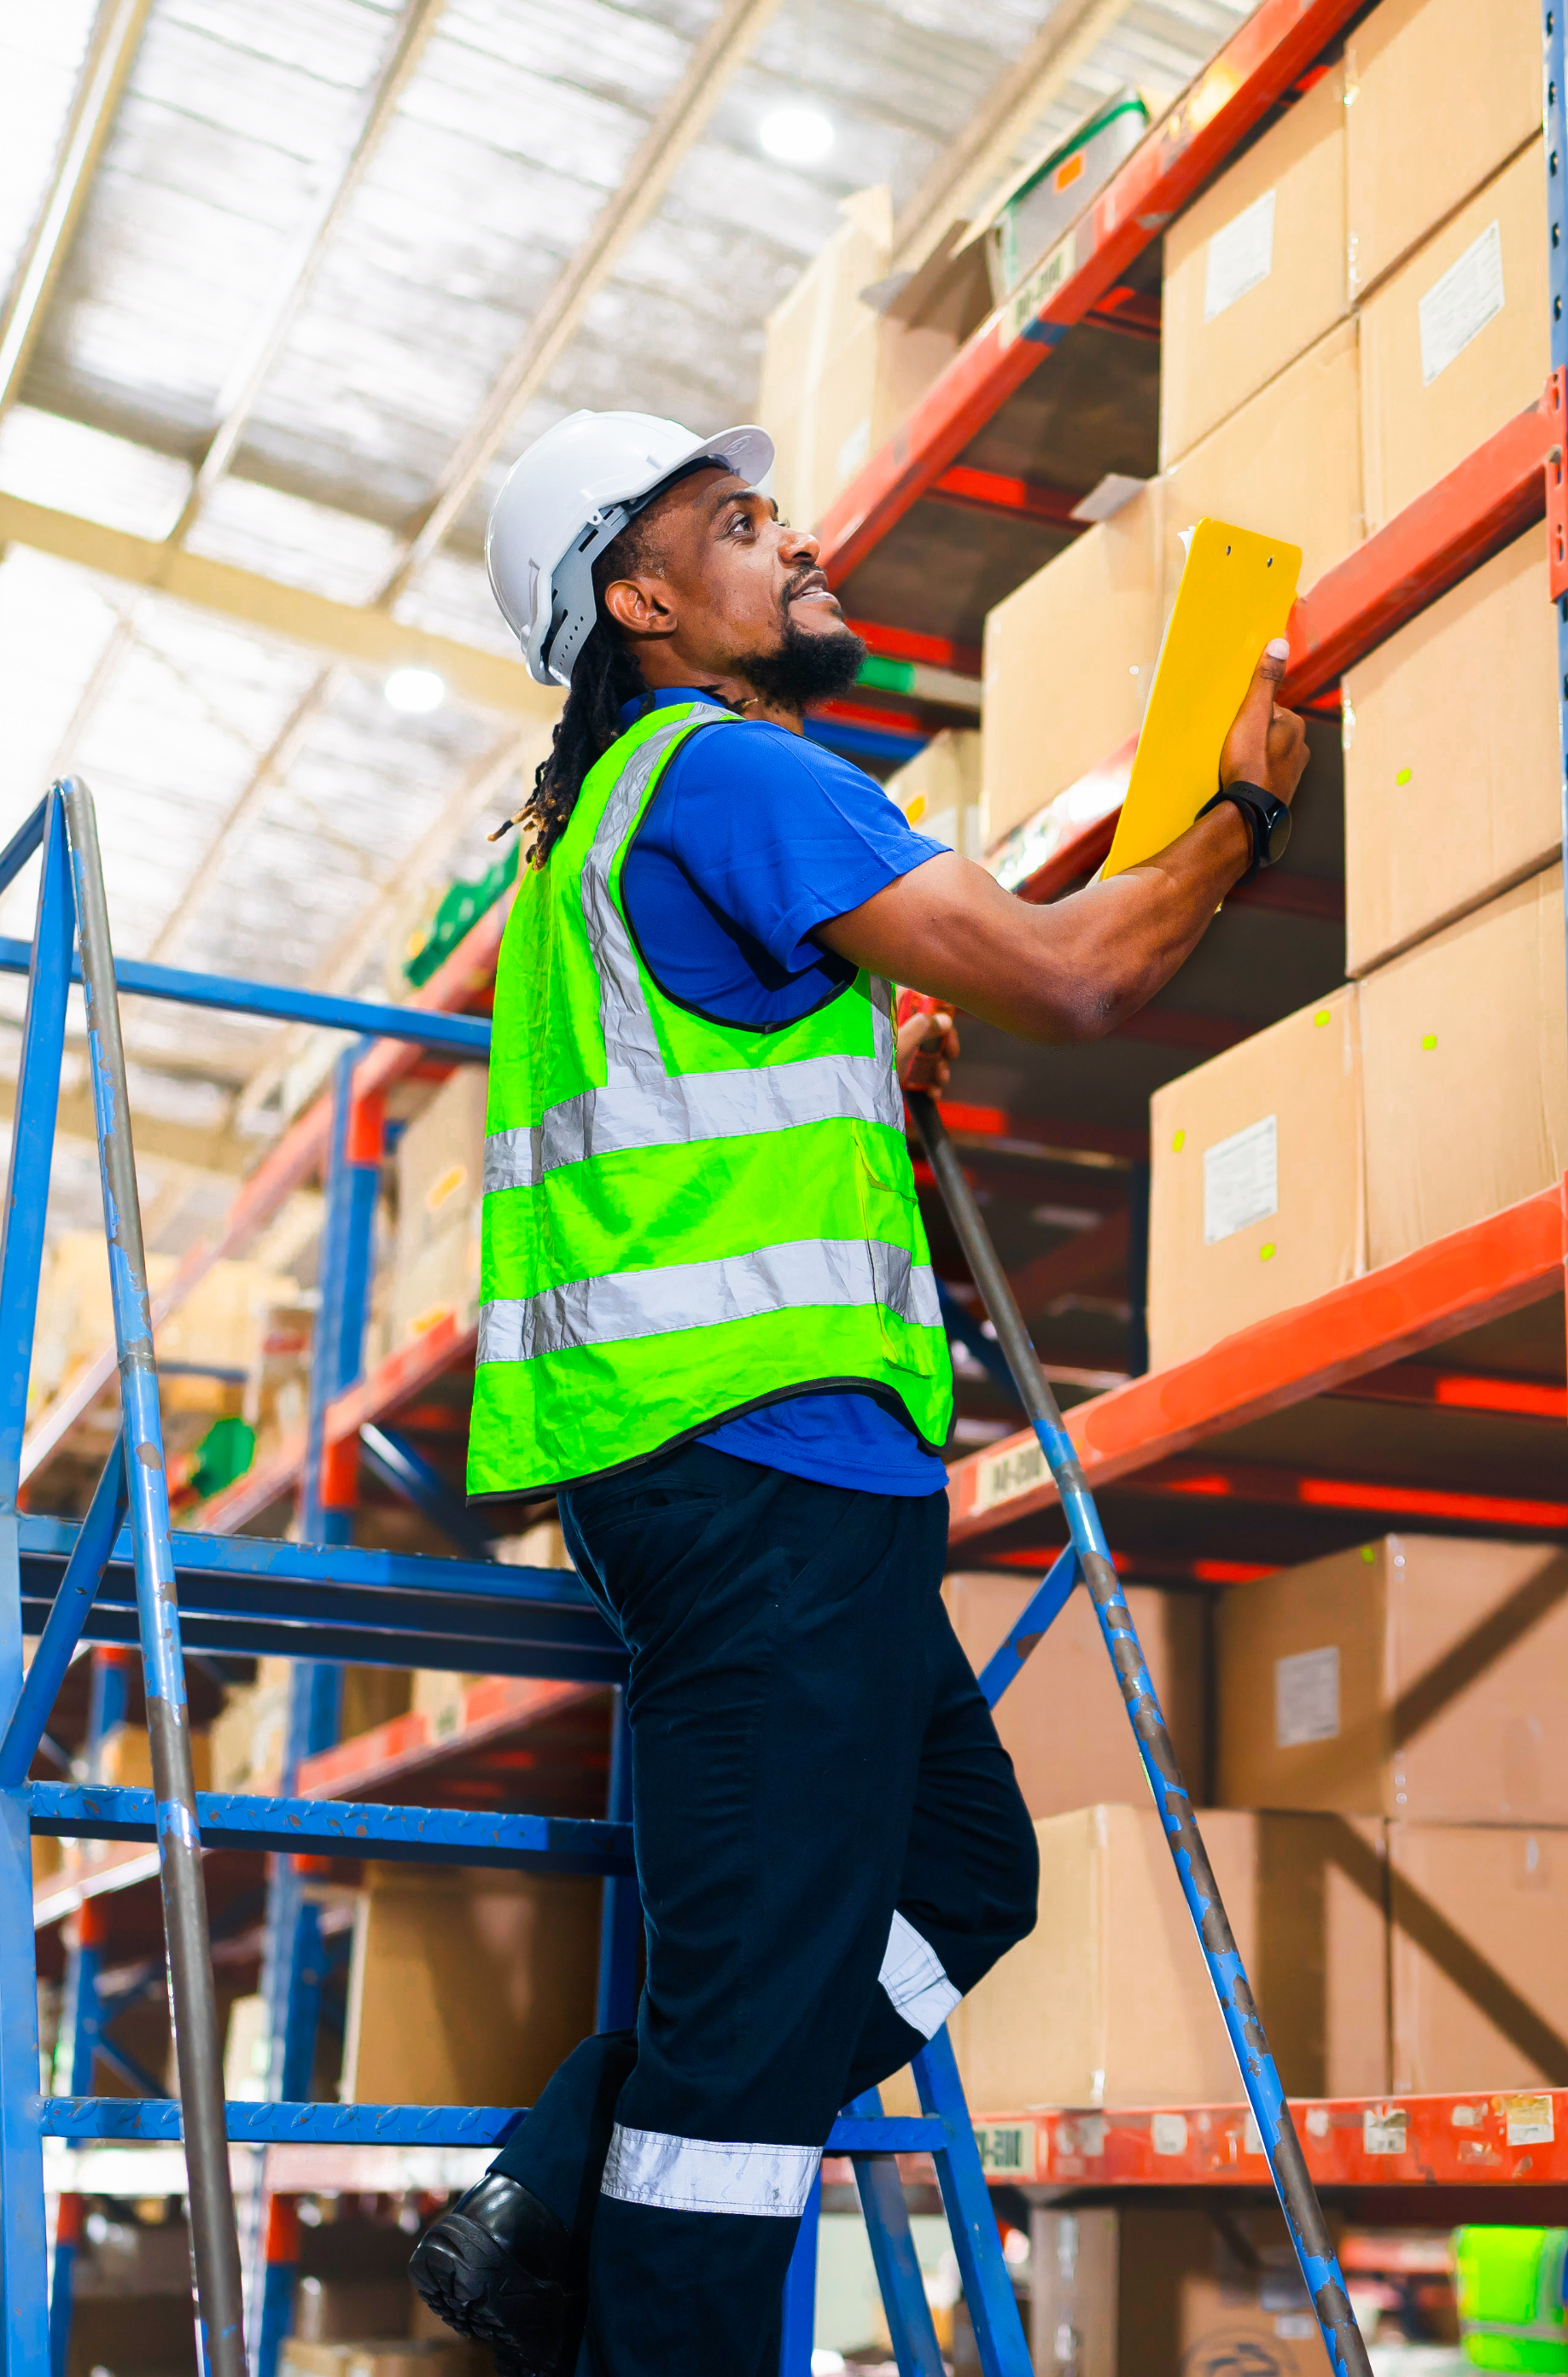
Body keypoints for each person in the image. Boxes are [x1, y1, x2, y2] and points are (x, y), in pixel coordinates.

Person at [405, 411, 1307, 2377]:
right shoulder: (731, 771)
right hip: (759, 1481)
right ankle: (626, 2234)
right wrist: (1238, 818)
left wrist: (865, 1091)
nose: (788, 536)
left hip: (749, 1478)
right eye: (737, 526)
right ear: (644, 603)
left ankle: (560, 2171)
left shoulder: (602, 836)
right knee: (733, 2077)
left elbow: (707, 1137)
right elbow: (1074, 973)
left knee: (963, 1875)